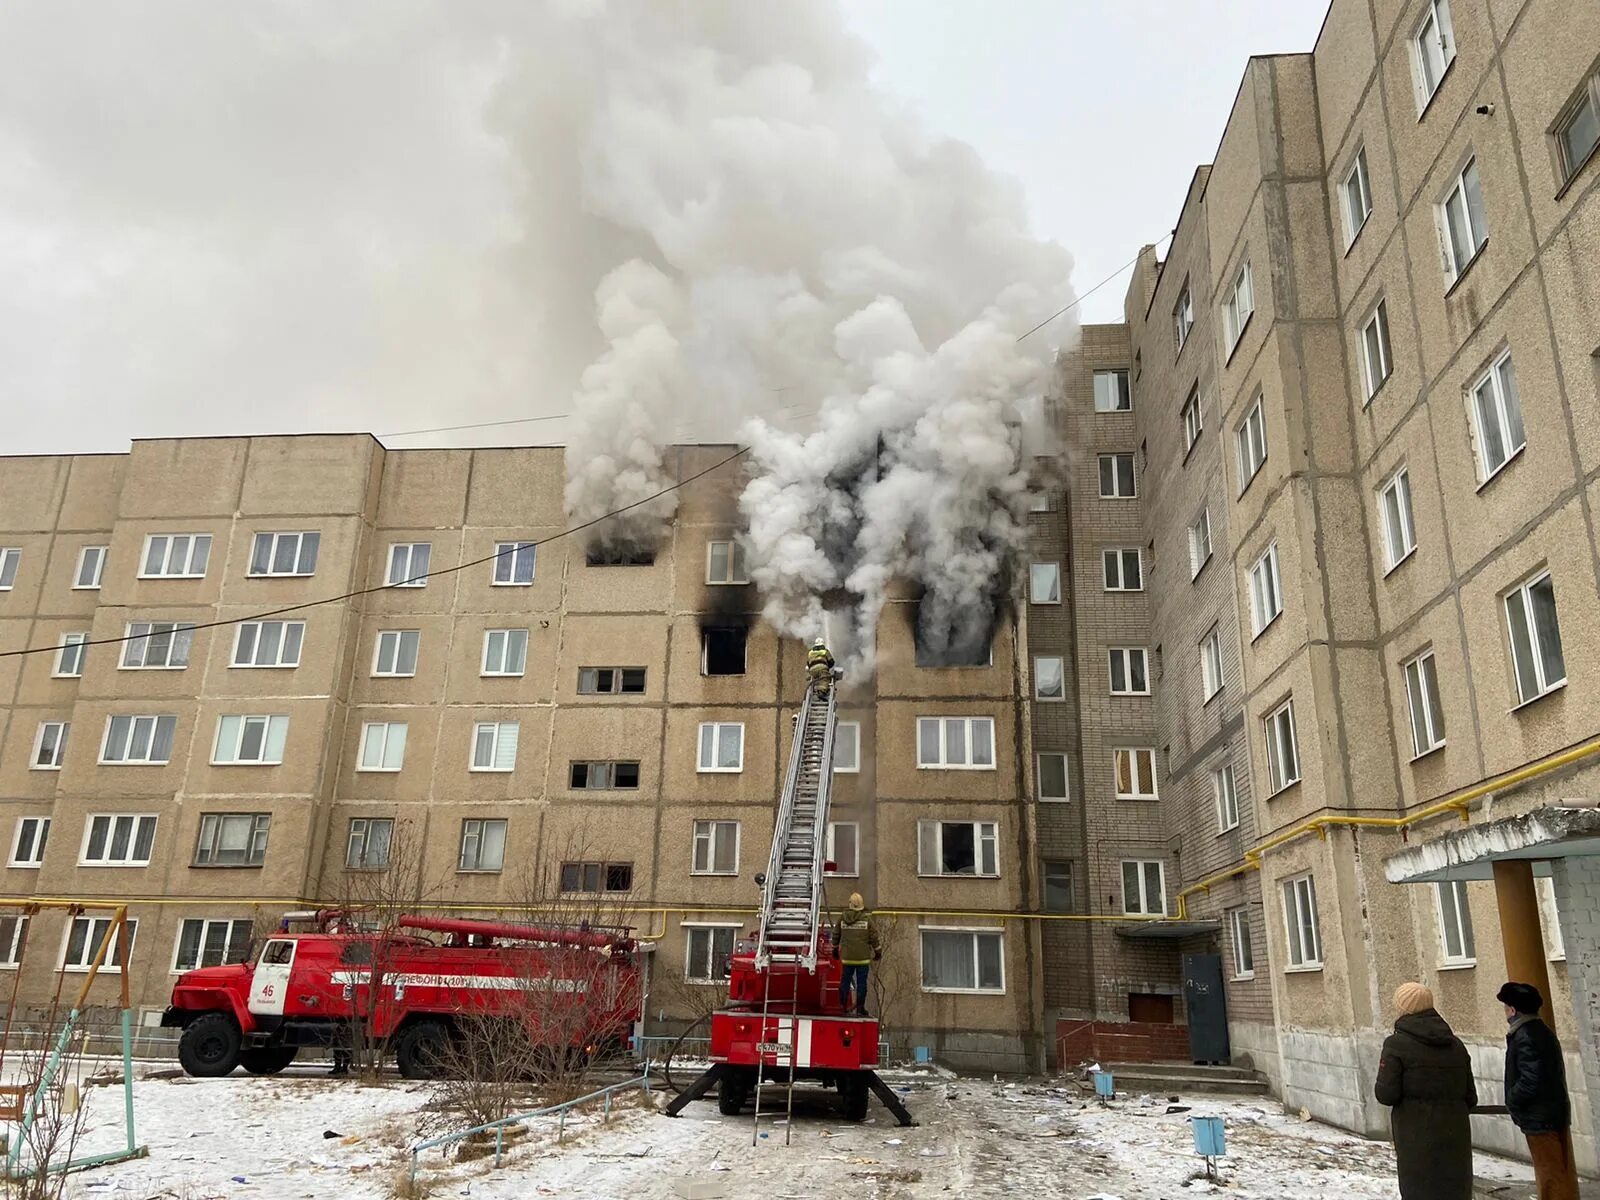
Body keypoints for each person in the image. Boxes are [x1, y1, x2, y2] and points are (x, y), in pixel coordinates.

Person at [1373, 982, 1476, 1200]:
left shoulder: (1396, 1045)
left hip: (1416, 1136)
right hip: (1456, 1135)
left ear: (1405, 1008)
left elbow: (1386, 1094)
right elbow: (1470, 1096)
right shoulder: (1456, 1045)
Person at [1497, 982, 1579, 1200]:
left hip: (1539, 1117)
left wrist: (1512, 1099)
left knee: (1550, 1177)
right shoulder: (1540, 1031)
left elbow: (1532, 1079)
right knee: (1557, 1173)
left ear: (1513, 1010)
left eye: (1506, 1007)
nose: (1505, 1012)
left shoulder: (1525, 1035)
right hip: (1551, 1112)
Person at [832, 893, 879, 1016]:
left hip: (847, 958)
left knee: (845, 982)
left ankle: (842, 1007)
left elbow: (836, 934)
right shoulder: (866, 920)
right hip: (862, 959)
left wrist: (835, 949)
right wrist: (877, 952)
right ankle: (860, 1009)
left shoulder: (842, 918)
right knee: (861, 983)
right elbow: (874, 937)